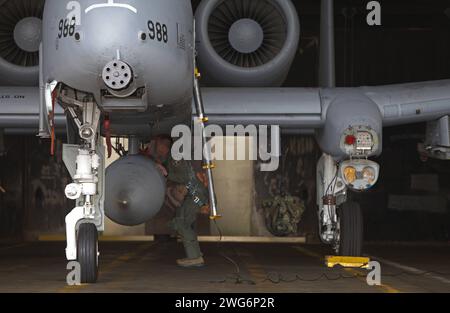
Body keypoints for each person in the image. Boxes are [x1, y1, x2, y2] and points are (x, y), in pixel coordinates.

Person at [145, 135, 209, 268]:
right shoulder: (171, 157)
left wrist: (167, 173)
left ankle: (195, 257)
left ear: (164, 145)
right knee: (181, 220)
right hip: (194, 193)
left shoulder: (175, 157)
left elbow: (184, 176)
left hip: (195, 194)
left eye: (157, 146)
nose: (156, 150)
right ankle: (195, 254)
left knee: (182, 222)